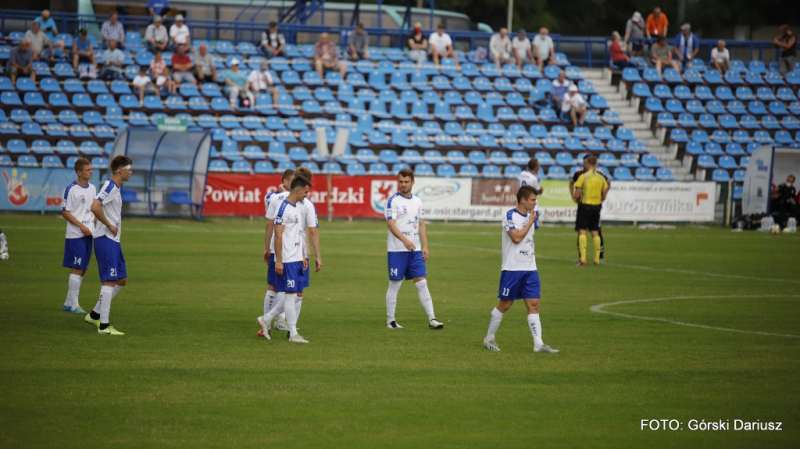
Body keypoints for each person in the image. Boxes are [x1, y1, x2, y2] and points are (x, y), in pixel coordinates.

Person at [483, 185, 559, 354]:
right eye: (533, 199)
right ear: (523, 200)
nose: (535, 203)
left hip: (530, 268)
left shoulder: (531, 215)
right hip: (512, 268)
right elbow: (516, 238)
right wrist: (531, 222)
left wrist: (531, 221)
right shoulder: (510, 215)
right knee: (506, 304)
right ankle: (489, 337)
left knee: (534, 304)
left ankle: (538, 343)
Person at [384, 169, 444, 330]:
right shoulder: (393, 201)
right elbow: (391, 224)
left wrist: (425, 245)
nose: (403, 185)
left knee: (422, 283)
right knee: (395, 284)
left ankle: (432, 319)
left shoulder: (417, 201)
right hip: (397, 250)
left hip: (415, 251)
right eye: (401, 182)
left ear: (413, 182)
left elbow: (421, 224)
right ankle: (390, 320)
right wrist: (404, 240)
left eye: (406, 182)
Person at [256, 176, 313, 344]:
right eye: (306, 191)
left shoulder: (297, 207)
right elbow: (278, 235)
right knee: (290, 295)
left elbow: (299, 234)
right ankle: (293, 333)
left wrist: (302, 255)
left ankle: (266, 318)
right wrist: (279, 261)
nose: (307, 195)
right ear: (298, 190)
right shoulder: (283, 209)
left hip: (296, 258)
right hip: (287, 259)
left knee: (293, 295)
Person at [86, 155, 133, 336]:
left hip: (114, 240)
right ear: (121, 170)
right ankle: (104, 326)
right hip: (106, 239)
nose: (131, 172)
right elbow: (95, 206)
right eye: (129, 168)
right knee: (109, 280)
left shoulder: (115, 188)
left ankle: (95, 314)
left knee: (121, 279)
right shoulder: (110, 186)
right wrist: (108, 224)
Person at [260, 169, 295, 336]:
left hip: (280, 247)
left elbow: (269, 225)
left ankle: (272, 321)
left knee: (277, 286)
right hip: (286, 249)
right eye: (293, 182)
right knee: (283, 287)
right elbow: (270, 224)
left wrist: (267, 247)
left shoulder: (275, 197)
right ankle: (276, 320)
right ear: (285, 182)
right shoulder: (278, 198)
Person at [60, 158, 97, 314]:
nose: (91, 171)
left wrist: (94, 219)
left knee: (83, 269)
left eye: (91, 169)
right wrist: (81, 226)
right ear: (79, 172)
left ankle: (68, 303)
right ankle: (74, 305)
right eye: (88, 169)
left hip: (90, 234)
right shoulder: (71, 189)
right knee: (77, 268)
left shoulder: (93, 188)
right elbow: (65, 211)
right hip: (76, 234)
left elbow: (93, 208)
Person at [570, 154, 610, 263]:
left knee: (582, 231)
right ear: (596, 164)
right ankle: (597, 259)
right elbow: (604, 194)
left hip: (585, 206)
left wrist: (575, 197)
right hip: (597, 207)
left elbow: (577, 193)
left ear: (588, 164)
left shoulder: (583, 177)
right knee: (595, 232)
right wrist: (600, 198)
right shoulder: (601, 177)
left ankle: (583, 259)